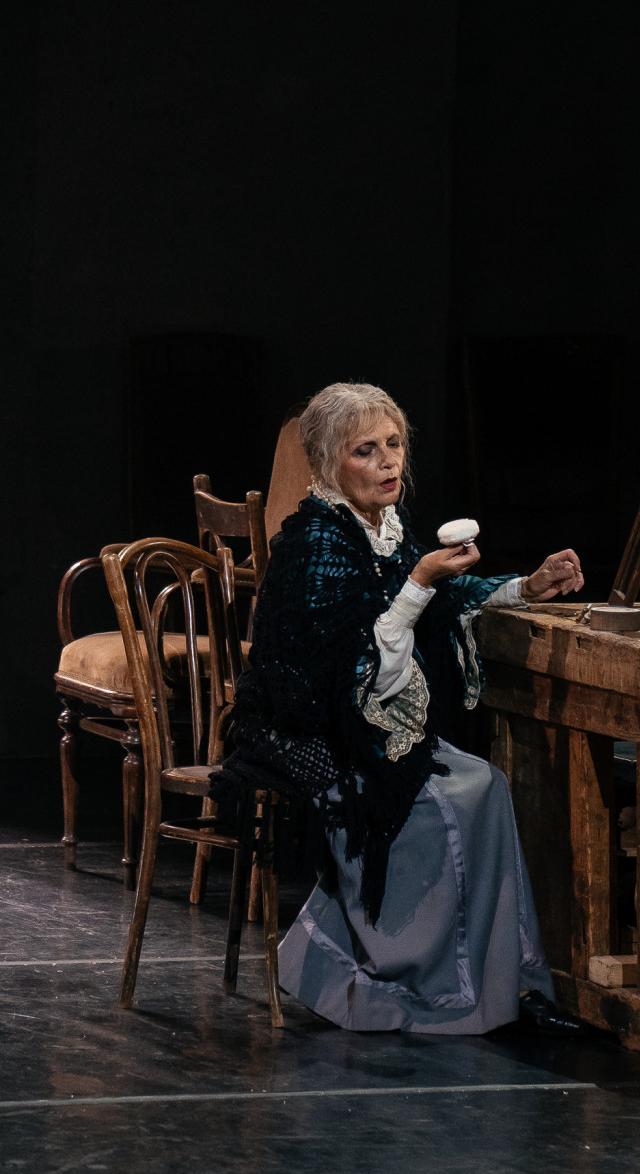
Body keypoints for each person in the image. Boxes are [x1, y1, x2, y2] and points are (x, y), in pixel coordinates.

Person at [213, 382, 586, 1035]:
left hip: (372, 726)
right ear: (328, 462)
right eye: (366, 450)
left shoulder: (385, 528)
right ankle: (405, 980)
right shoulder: (316, 544)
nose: (388, 462)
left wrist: (526, 586)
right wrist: (419, 583)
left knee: (488, 784)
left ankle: (511, 982)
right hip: (313, 735)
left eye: (394, 445)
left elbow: (439, 599)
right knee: (452, 799)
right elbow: (350, 671)